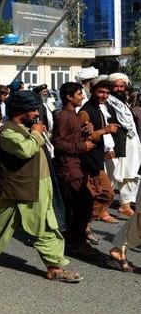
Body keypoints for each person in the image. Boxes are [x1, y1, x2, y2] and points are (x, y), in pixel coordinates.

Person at [0, 90, 82, 282]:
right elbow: (26, 149)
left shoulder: (29, 127)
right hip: (16, 188)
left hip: (39, 184)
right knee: (0, 226)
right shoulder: (7, 131)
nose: (36, 113)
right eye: (33, 110)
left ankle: (54, 268)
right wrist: (36, 133)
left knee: (46, 226)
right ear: (21, 110)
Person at [51, 82, 100, 258]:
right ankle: (76, 241)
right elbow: (58, 143)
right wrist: (82, 146)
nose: (82, 97)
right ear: (69, 97)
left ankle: (75, 241)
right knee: (84, 201)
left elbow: (73, 137)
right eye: (79, 94)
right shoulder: (63, 117)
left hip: (76, 164)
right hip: (68, 167)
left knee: (79, 205)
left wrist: (87, 131)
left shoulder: (74, 115)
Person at [77, 76, 118, 225]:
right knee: (105, 194)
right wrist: (105, 130)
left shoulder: (98, 108)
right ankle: (82, 223)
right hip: (88, 161)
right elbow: (82, 139)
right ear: (93, 91)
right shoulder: (86, 111)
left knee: (103, 194)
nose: (104, 96)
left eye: (107, 93)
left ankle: (84, 223)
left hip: (97, 158)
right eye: (101, 92)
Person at [105, 73, 140, 217]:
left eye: (121, 86)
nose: (119, 89)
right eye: (116, 86)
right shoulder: (107, 103)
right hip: (116, 144)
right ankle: (101, 209)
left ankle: (125, 205)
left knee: (129, 175)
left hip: (129, 142)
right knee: (112, 176)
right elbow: (106, 125)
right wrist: (108, 146)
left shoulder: (123, 103)